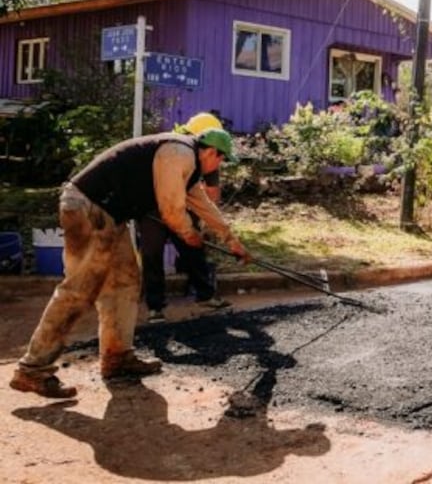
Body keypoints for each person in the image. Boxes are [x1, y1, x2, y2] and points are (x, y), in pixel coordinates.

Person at [9, 128, 251, 399]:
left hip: (111, 214)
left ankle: (117, 356)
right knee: (79, 290)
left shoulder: (189, 165)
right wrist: (188, 233)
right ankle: (32, 369)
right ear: (211, 152)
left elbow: (203, 205)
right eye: (222, 159)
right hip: (88, 207)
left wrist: (232, 240)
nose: (220, 165)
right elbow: (171, 209)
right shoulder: (178, 153)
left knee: (125, 282)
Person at [140, 112, 228, 322]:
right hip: (151, 207)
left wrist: (207, 222)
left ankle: (204, 295)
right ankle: (155, 306)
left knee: (192, 248)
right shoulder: (173, 150)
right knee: (152, 255)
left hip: (184, 206)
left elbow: (211, 194)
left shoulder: (208, 155)